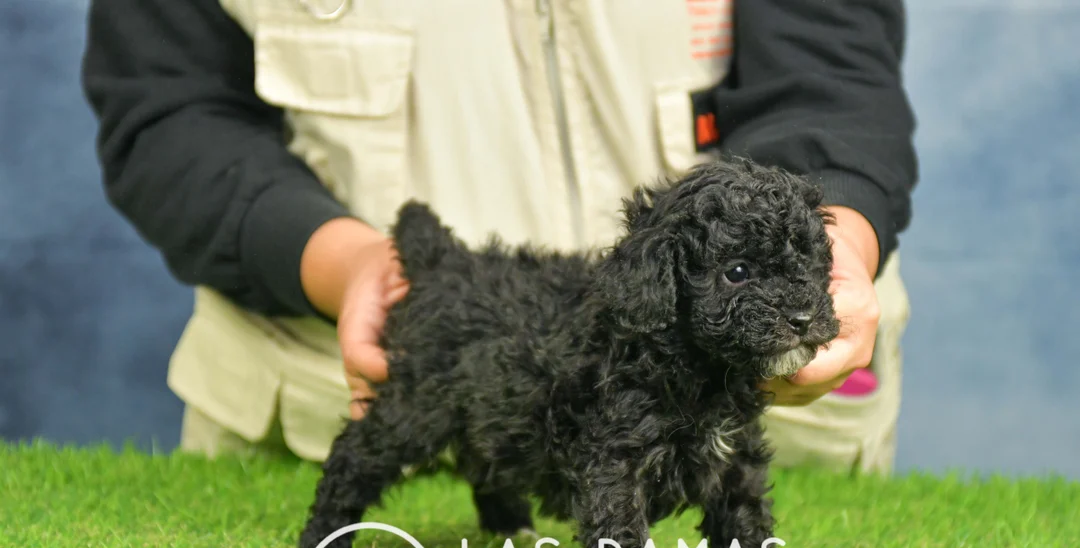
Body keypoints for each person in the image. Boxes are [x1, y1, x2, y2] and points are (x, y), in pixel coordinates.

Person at [81, 0, 917, 473]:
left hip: (728, 425)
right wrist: (343, 262)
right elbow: (169, 114)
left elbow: (832, 74)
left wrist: (835, 242)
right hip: (354, 405)